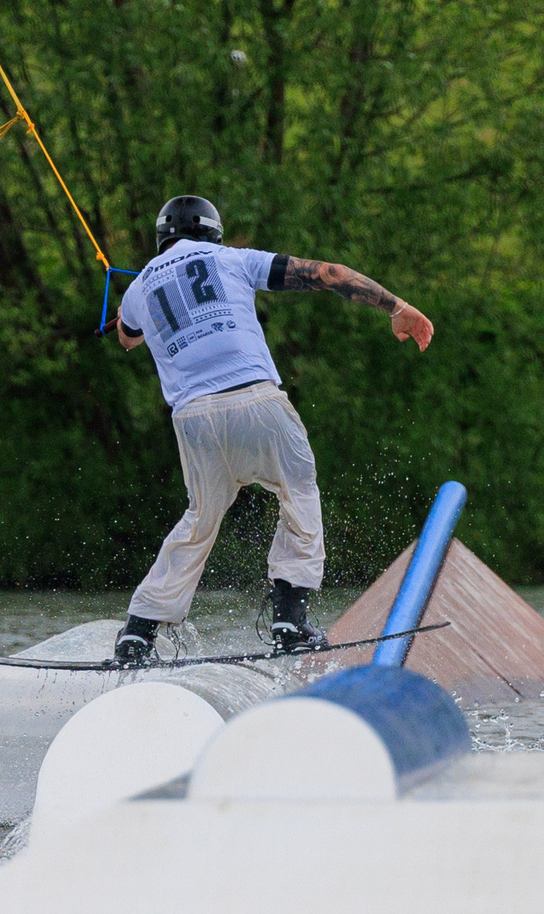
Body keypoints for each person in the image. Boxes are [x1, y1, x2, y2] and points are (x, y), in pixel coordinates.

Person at [110, 194, 435, 664]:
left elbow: (127, 338)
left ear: (162, 238)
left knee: (199, 520)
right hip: (255, 400)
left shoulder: (137, 289)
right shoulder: (233, 260)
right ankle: (290, 619)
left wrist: (129, 315)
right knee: (298, 491)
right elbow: (329, 274)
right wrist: (395, 306)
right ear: (212, 233)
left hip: (194, 419)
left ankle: (138, 633)